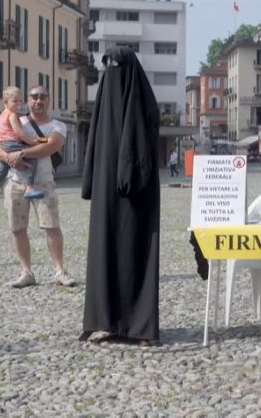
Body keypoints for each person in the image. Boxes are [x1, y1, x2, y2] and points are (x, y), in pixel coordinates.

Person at [80, 47, 161, 345]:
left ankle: (138, 326)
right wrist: (91, 181)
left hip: (134, 193)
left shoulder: (143, 103)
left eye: (116, 66)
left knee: (133, 255)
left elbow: (140, 140)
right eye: (108, 67)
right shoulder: (104, 100)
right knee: (105, 253)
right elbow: (94, 145)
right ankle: (106, 320)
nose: (111, 72)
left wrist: (129, 175)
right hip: (106, 190)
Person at [0, 85, 75, 288]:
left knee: (51, 226)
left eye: (43, 97)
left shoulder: (57, 126)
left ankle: (59, 271)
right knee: (17, 228)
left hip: (43, 183)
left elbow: (50, 146)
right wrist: (10, 159)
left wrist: (22, 154)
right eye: (34, 97)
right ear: (27, 100)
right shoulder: (14, 119)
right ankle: (26, 272)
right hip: (15, 182)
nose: (38, 101)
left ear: (49, 100)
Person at [0, 87, 44, 207]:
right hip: (13, 144)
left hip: (4, 145)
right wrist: (32, 142)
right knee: (32, 161)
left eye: (20, 101)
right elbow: (19, 133)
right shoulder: (12, 115)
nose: (19, 104)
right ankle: (30, 188)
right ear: (5, 102)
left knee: (1, 171)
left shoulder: (1, 116)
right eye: (15, 101)